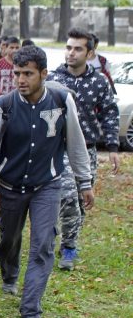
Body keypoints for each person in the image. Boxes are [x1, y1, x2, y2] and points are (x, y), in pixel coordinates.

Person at [0, 46, 93, 318]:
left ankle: (31, 308)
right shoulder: (2, 106)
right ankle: (9, 275)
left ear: (43, 74)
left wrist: (85, 182)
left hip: (47, 185)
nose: (21, 79)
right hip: (9, 186)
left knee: (43, 243)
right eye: (17, 73)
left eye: (28, 74)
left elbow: (76, 144)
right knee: (9, 239)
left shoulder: (60, 100)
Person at [47, 27, 120, 270]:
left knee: (80, 201)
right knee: (67, 196)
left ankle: (70, 241)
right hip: (61, 149)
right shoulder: (53, 80)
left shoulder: (100, 82)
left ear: (89, 54)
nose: (71, 53)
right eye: (68, 47)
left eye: (78, 48)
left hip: (88, 150)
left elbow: (110, 113)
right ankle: (66, 247)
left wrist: (112, 147)